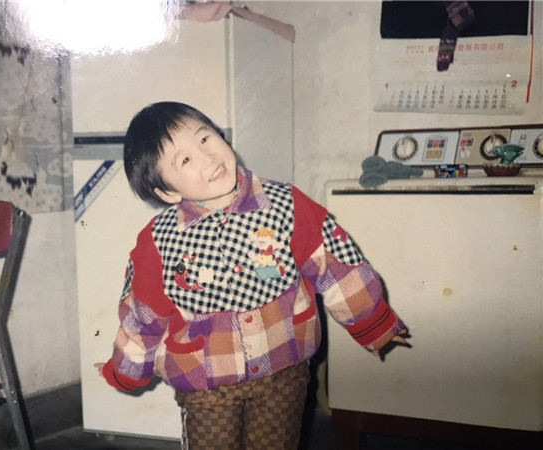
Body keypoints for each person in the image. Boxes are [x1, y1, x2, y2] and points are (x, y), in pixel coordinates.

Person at [98, 101, 409, 449]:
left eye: (205, 138)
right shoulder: (158, 241)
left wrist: (373, 322)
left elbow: (335, 265)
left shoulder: (286, 204)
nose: (207, 157)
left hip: (284, 371)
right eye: (185, 160)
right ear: (168, 191)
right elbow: (143, 313)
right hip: (206, 384)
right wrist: (127, 369)